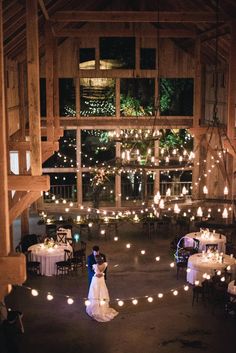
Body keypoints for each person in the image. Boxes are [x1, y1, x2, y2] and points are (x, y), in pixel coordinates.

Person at [86, 255, 118, 322]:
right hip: (102, 280)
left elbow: (94, 271)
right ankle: (102, 308)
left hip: (96, 281)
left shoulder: (95, 266)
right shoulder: (105, 264)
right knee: (102, 293)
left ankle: (95, 309)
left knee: (95, 294)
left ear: (96, 260)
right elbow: (102, 271)